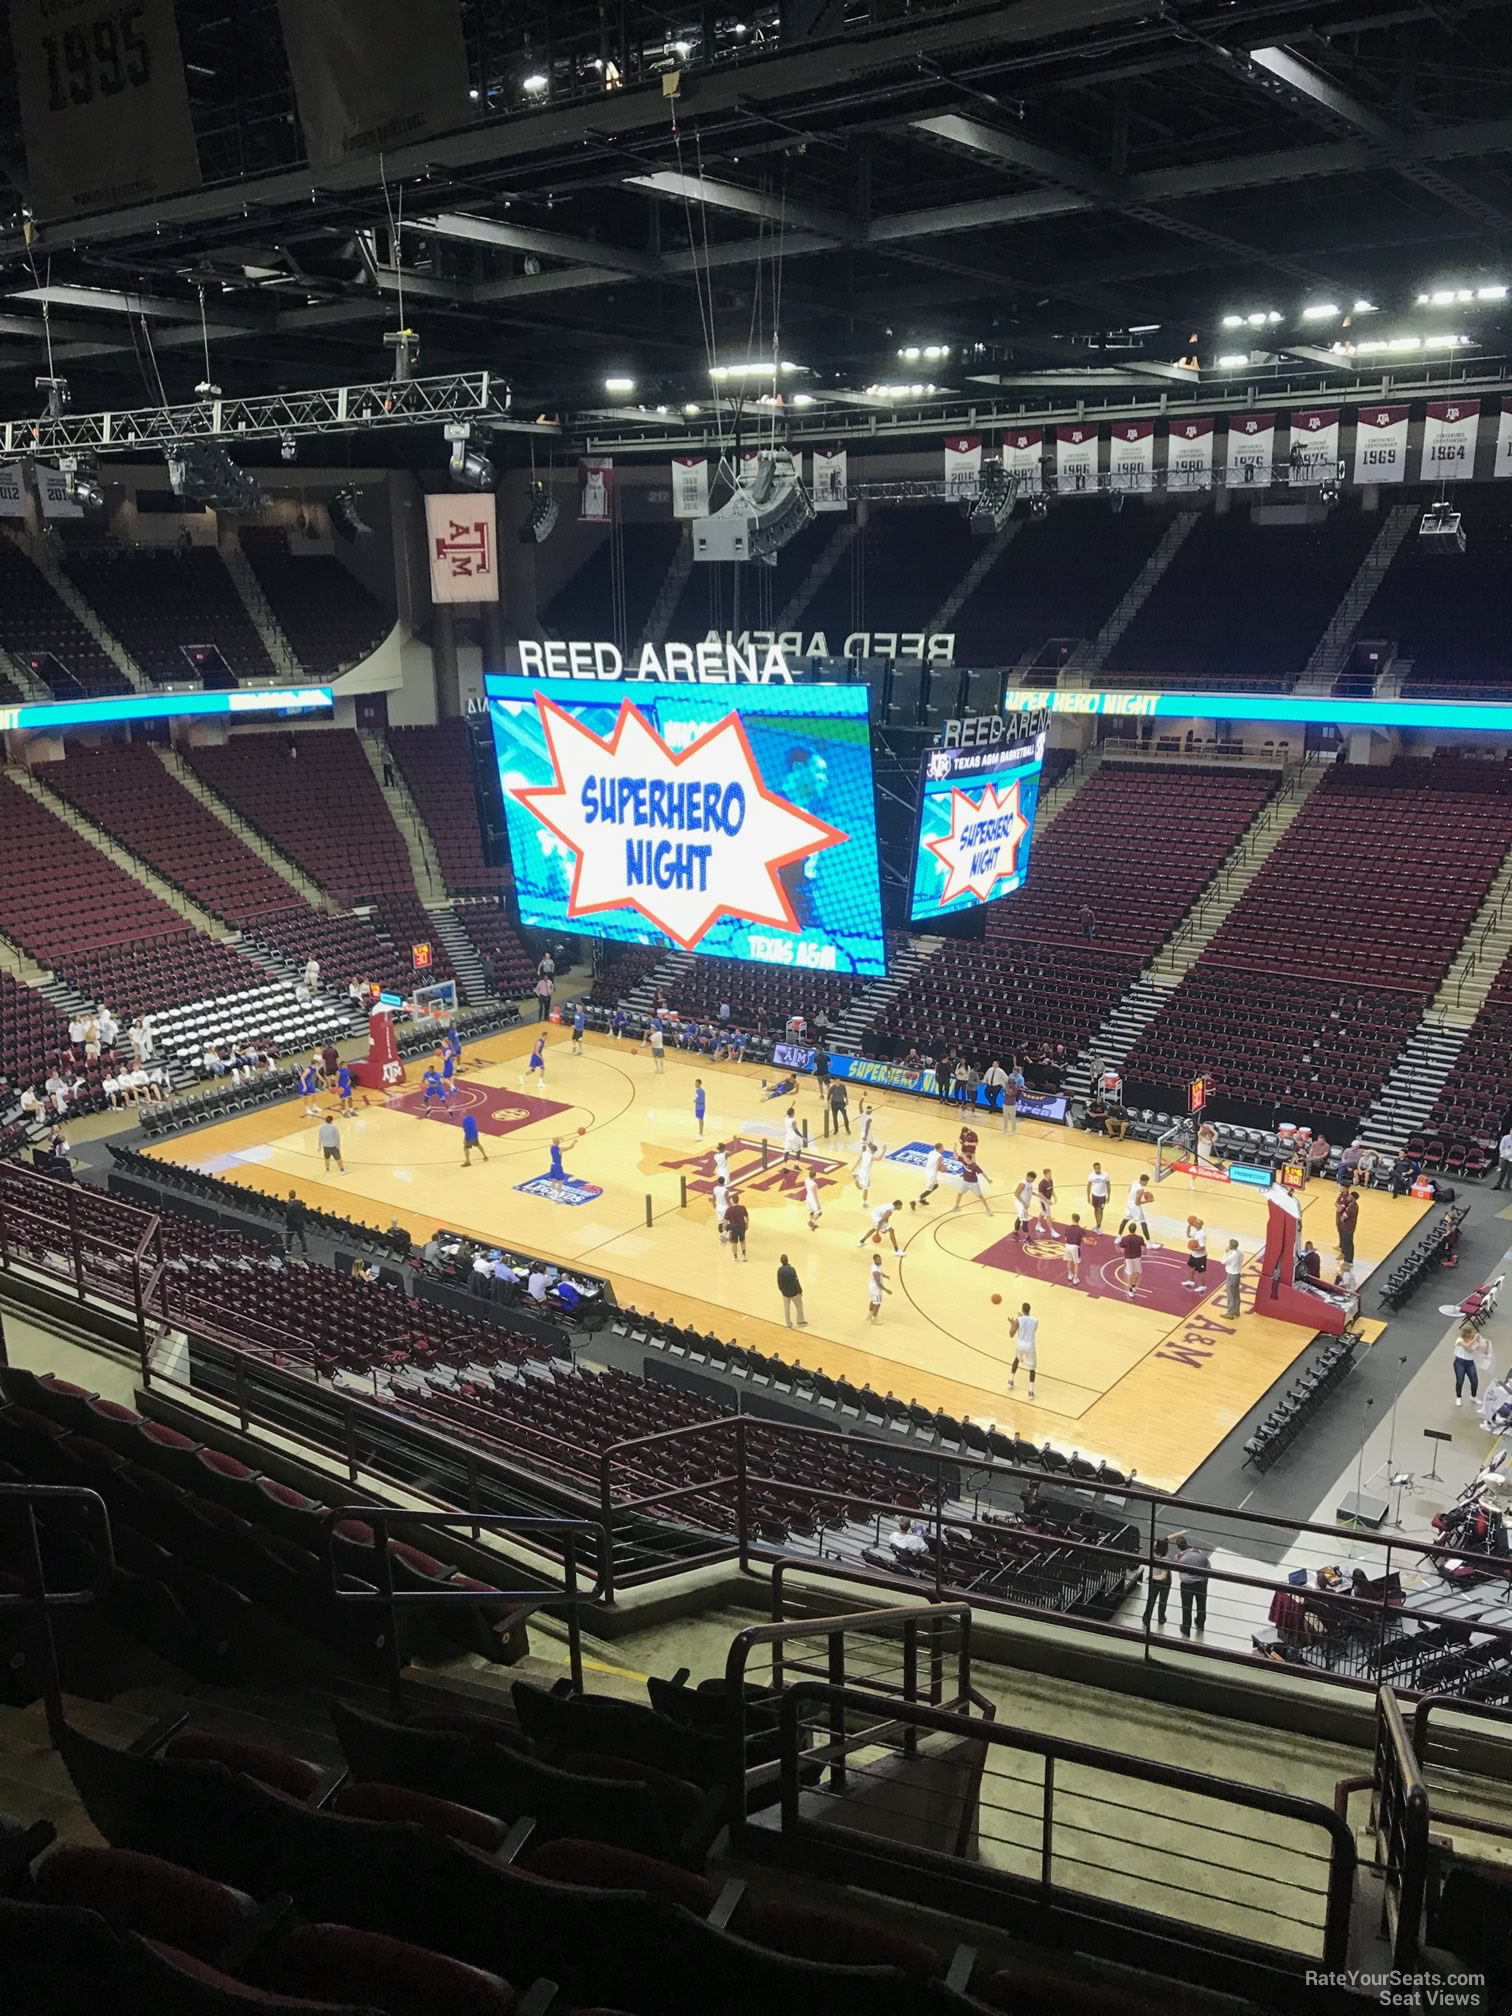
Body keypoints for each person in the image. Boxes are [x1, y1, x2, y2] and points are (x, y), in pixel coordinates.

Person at [1174, 1534, 1211, 1636]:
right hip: (1201, 1584)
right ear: (1187, 1544)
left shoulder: (1178, 1557)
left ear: (1178, 1547)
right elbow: (1207, 1565)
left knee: (1186, 1607)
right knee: (1201, 1605)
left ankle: (1186, 1628)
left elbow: (1178, 1568)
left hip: (1187, 1585)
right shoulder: (1199, 1552)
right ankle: (1200, 1623)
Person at [1453, 1321, 1494, 1406]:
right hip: (1459, 1362)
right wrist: (1475, 1339)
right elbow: (1467, 1346)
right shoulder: (1459, 1340)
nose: (1473, 1335)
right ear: (1467, 1334)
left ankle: (1473, 1396)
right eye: (1472, 1333)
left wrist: (1485, 1344)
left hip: (1470, 1363)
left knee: (1474, 1381)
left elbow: (1483, 1351)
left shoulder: (1474, 1342)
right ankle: (1458, 1397)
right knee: (1460, 1381)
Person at [1006, 1302, 1038, 1399]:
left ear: (1022, 1309)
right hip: (1030, 1346)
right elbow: (1032, 1330)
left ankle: (1011, 1381)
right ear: (1030, 1309)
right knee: (1032, 1369)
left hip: (1020, 1345)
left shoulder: (1018, 1320)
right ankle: (1031, 1392)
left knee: (1017, 1359)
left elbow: (1011, 1335)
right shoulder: (1035, 1320)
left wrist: (1012, 1324)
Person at [1142, 1538, 1171, 1629]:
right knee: (1163, 1601)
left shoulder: (1153, 1554)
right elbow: (1163, 1576)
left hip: (1154, 1582)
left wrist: (1151, 1577)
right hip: (1164, 1583)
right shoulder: (1166, 1560)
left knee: (1151, 1600)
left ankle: (1146, 1619)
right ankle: (1161, 1618)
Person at [952, 1150, 991, 1214]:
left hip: (973, 1184)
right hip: (965, 1182)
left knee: (980, 1196)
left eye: (964, 1157)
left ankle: (988, 1209)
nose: (963, 1157)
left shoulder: (974, 1166)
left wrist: (988, 1180)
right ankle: (957, 1206)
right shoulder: (964, 1161)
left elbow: (982, 1173)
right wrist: (954, 1148)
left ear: (967, 1158)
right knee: (959, 1194)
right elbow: (956, 1156)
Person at [1119, 1175, 1154, 1245]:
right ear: (1143, 1181)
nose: (1147, 1183)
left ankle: (1118, 1237)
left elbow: (1129, 1190)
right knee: (1143, 1223)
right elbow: (1137, 1202)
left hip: (1129, 1204)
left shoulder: (1134, 1182)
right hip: (1135, 1207)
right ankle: (1149, 1243)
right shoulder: (1141, 1189)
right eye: (1146, 1182)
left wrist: (1133, 1196)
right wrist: (1148, 1201)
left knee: (1125, 1220)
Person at [912, 1143, 946, 1211]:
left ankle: (923, 1199)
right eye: (942, 1148)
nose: (943, 1149)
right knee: (929, 1189)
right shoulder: (940, 1156)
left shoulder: (931, 1152)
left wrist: (941, 1165)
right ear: (939, 1148)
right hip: (932, 1174)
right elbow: (937, 1167)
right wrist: (943, 1169)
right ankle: (915, 1201)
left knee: (935, 1185)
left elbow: (933, 1162)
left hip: (928, 1170)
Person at [1332, 1183, 1360, 1266]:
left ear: (1353, 1198)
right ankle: (1347, 1258)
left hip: (1348, 1228)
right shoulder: (1351, 1205)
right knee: (1347, 1242)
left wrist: (1342, 1216)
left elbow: (1343, 1217)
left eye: (1350, 1196)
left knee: (1348, 1244)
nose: (1348, 1197)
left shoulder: (1352, 1207)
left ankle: (1348, 1261)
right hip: (1347, 1227)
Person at [777, 1253, 806, 1328]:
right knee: (799, 1306)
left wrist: (782, 1290)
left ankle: (788, 1323)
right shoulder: (792, 1269)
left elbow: (779, 1283)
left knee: (786, 1308)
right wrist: (800, 1290)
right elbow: (796, 1281)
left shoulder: (779, 1270)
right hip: (794, 1292)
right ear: (787, 1260)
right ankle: (800, 1321)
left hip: (785, 1293)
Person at [1117, 1225, 1145, 1299]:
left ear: (1129, 1229)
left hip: (1129, 1258)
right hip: (1137, 1258)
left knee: (1130, 1273)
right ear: (1135, 1229)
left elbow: (1122, 1250)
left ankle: (1130, 1290)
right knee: (1136, 1273)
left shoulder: (1125, 1238)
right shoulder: (1140, 1238)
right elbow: (1143, 1249)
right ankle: (1133, 1286)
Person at [852, 1135, 879, 1202]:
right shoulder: (872, 1156)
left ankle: (856, 1180)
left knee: (860, 1188)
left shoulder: (864, 1153)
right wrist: (884, 1150)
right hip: (865, 1173)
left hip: (859, 1171)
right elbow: (879, 1158)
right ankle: (864, 1203)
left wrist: (853, 1168)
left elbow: (857, 1162)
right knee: (865, 1188)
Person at [723, 1190, 748, 1260]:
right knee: (742, 1240)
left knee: (734, 1242)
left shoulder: (729, 1210)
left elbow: (725, 1220)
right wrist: (747, 1224)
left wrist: (725, 1228)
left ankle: (736, 1257)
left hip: (733, 1228)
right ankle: (744, 1255)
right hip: (742, 1226)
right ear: (738, 1200)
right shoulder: (743, 1208)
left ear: (732, 1201)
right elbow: (747, 1216)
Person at [1185, 1215, 1208, 1291]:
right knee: (1191, 1268)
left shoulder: (1201, 1235)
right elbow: (1188, 1235)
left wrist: (1193, 1249)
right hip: (1194, 1255)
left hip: (1200, 1257)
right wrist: (1189, 1227)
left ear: (1198, 1225)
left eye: (1195, 1222)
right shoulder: (1197, 1232)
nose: (1193, 1223)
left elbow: (1202, 1248)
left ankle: (1203, 1286)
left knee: (1201, 1272)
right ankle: (1191, 1281)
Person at [1223, 1238, 1244, 1319]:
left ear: (1230, 1246)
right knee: (1236, 1293)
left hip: (1231, 1276)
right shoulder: (1240, 1253)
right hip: (1237, 1275)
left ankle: (1230, 1313)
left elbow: (1223, 1261)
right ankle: (1236, 1310)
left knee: (1230, 1295)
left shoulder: (1233, 1255)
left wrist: (1225, 1252)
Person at [866, 1252, 891, 1322]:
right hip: (876, 1289)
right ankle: (874, 1319)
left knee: (873, 1301)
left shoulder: (875, 1266)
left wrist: (885, 1276)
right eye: (878, 1260)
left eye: (880, 1259)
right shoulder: (875, 1271)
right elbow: (878, 1283)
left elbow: (880, 1272)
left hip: (871, 1287)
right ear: (874, 1260)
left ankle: (870, 1315)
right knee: (877, 1304)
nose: (880, 1261)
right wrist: (887, 1290)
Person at [1086, 1162, 1111, 1231]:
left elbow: (1108, 1185)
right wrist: (1088, 1197)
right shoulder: (1091, 1175)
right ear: (1094, 1168)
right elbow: (1088, 1186)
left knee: (1100, 1210)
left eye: (1099, 1168)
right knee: (1095, 1209)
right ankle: (1097, 1224)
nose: (1098, 1169)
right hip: (1094, 1196)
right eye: (1096, 1168)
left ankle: (1099, 1226)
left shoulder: (1105, 1175)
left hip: (1102, 1196)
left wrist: (1109, 1196)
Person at [1062, 1213, 1085, 1284]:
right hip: (1075, 1247)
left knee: (1069, 1261)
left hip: (1067, 1245)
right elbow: (1084, 1240)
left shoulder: (1067, 1228)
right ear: (1078, 1220)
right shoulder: (1081, 1230)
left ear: (1072, 1219)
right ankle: (1075, 1279)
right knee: (1076, 1263)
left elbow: (1065, 1238)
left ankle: (1069, 1275)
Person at [1014, 1171, 1037, 1236]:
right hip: (1021, 1205)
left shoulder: (1029, 1183)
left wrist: (1037, 1195)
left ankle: (1015, 1232)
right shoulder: (1023, 1183)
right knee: (1025, 1221)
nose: (1033, 1180)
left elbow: (1028, 1191)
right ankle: (1027, 1237)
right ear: (1029, 1177)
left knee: (1019, 1218)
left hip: (1024, 1204)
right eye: (1033, 1179)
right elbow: (1016, 1193)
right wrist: (1024, 1203)